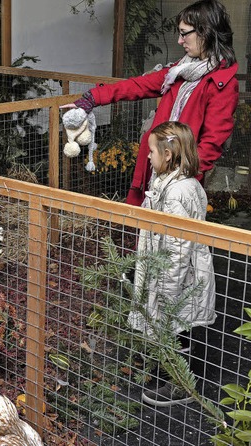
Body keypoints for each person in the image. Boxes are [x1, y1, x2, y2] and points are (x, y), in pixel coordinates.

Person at [62, 0, 238, 207]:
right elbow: (137, 86)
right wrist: (91, 99)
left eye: (184, 33)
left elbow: (212, 142)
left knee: (173, 236)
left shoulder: (222, 84)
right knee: (144, 231)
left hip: (180, 181)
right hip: (153, 164)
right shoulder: (178, 72)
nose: (180, 41)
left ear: (205, 32)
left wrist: (181, 176)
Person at [128, 121, 215, 407]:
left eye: (151, 151)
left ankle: (181, 386)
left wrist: (167, 291)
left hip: (180, 277)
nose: (148, 157)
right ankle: (171, 373)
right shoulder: (169, 182)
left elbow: (178, 248)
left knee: (177, 324)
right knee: (177, 327)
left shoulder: (178, 192)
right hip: (168, 269)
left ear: (167, 155)